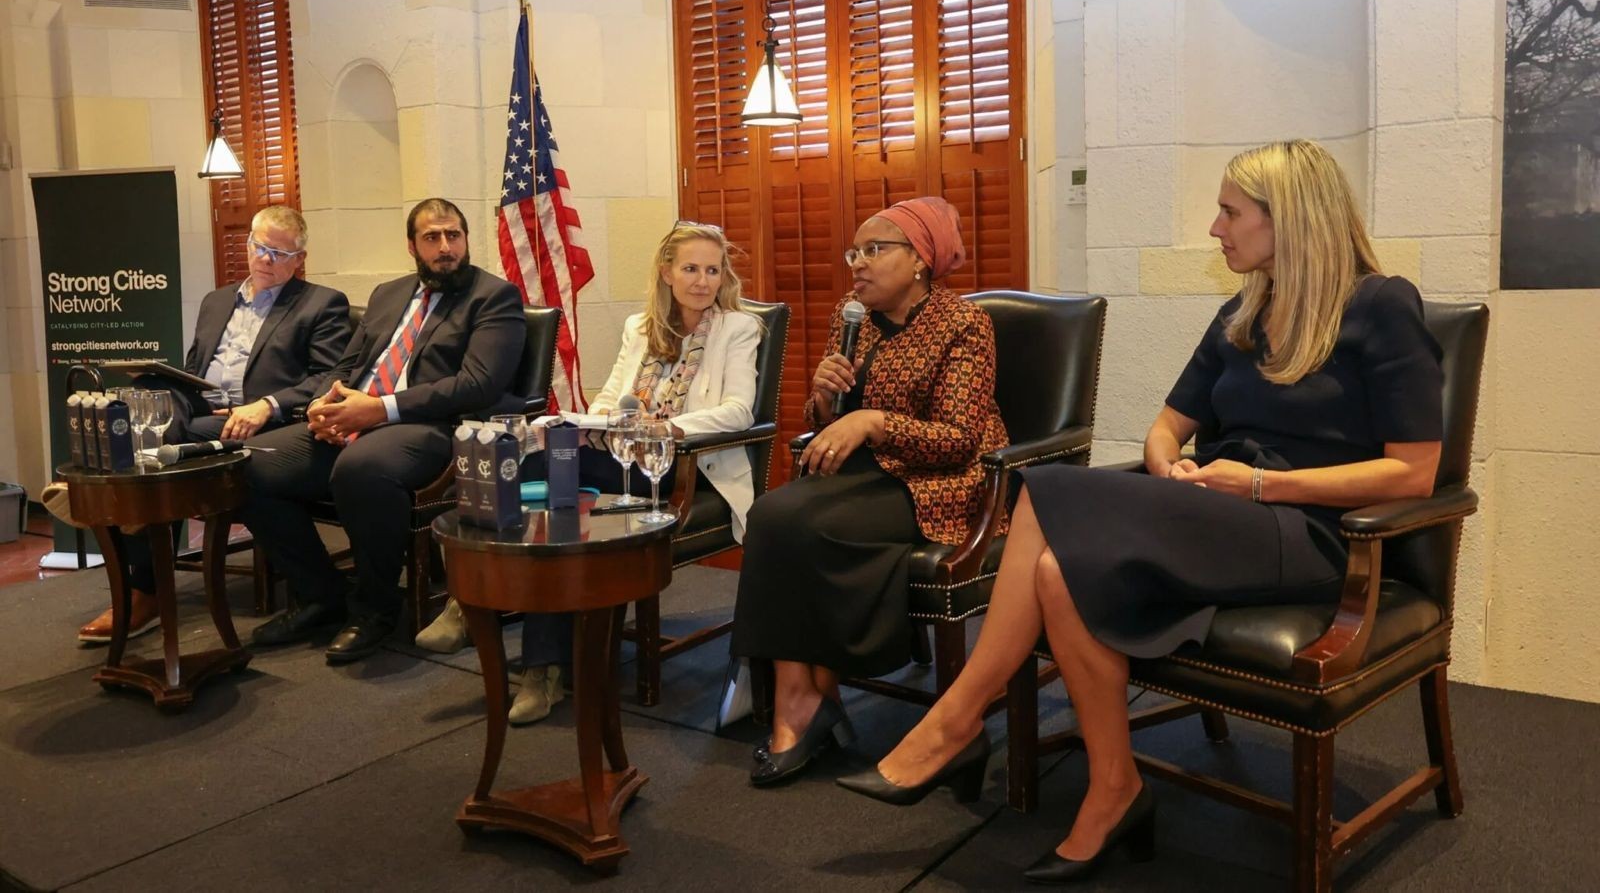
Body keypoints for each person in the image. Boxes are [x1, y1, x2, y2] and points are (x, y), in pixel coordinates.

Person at [834, 140, 1445, 886]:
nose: (1217, 229)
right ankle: (1114, 786)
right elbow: (1166, 426)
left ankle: (958, 718)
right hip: (1220, 513)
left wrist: (1259, 486)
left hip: (1312, 532)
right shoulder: (1241, 312)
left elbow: (1415, 471)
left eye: (1229, 212)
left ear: (1287, 219)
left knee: (1046, 489)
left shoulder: (1382, 304)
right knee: (1057, 574)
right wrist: (1169, 466)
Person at [415, 220, 762, 726]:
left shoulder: (738, 327)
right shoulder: (639, 328)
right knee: (549, 479)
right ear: (667, 272)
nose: (702, 281)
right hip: (618, 458)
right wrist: (591, 422)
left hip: (681, 466)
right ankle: (541, 666)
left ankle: (474, 608)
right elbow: (608, 399)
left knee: (547, 465)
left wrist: (661, 429)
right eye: (690, 268)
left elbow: (738, 412)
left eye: (713, 270)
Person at [729, 196, 1009, 787]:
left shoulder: (964, 323)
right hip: (867, 472)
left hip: (941, 483)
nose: (857, 263)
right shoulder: (849, 315)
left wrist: (872, 422)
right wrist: (829, 400)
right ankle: (802, 694)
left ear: (920, 260)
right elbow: (829, 415)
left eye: (875, 249)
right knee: (772, 514)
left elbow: (959, 440)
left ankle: (807, 704)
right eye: (855, 251)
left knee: (798, 522)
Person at [239, 197, 527, 663]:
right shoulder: (388, 294)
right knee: (248, 464)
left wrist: (380, 409)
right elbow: (349, 364)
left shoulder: (493, 296)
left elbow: (479, 383)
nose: (445, 246)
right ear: (412, 246)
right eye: (432, 237)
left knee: (362, 469)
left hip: (432, 427)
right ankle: (322, 594)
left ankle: (374, 608)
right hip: (357, 416)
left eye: (453, 235)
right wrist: (322, 406)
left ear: (467, 239)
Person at [74, 205, 351, 644]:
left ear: (300, 259)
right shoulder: (217, 301)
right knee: (134, 432)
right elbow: (194, 370)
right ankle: (137, 543)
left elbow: (329, 376)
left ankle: (144, 586)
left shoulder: (321, 303)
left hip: (265, 424)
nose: (267, 260)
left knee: (150, 457)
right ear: (247, 245)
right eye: (261, 248)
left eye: (281, 254)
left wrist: (267, 404)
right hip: (205, 414)